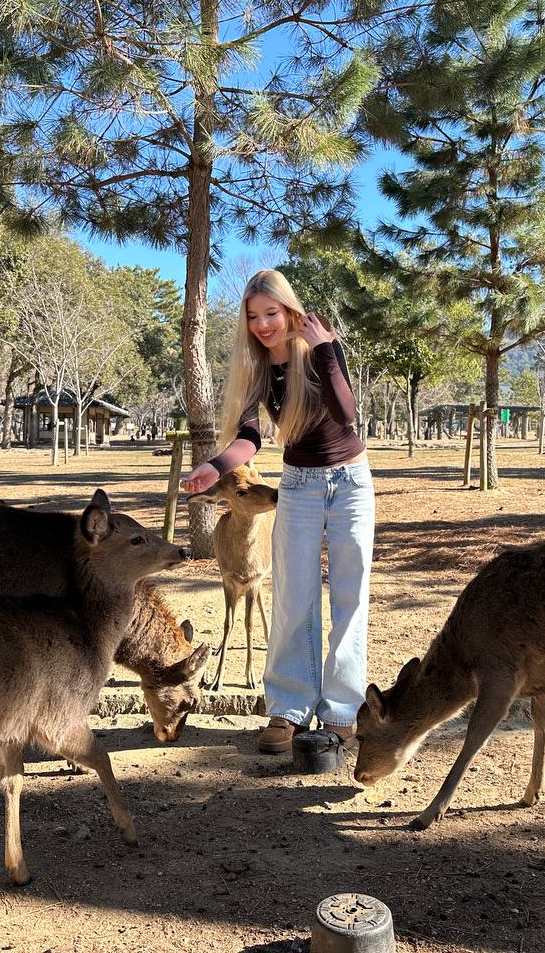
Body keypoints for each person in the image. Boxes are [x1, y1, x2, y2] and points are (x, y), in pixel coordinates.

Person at [182, 270, 374, 755]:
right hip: (299, 485)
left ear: (289, 310)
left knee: (349, 595)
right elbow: (249, 436)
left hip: (350, 480)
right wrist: (214, 466)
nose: (263, 325)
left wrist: (325, 349)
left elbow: (346, 413)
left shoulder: (321, 343)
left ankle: (342, 713)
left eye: (271, 313)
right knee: (293, 597)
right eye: (253, 317)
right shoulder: (258, 367)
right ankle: (289, 708)